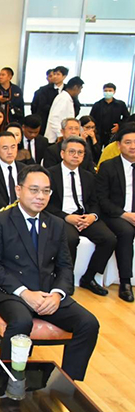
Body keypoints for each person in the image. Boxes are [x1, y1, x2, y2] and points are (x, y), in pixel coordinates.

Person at [0, 164, 100, 381]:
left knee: (88, 323)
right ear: (19, 190)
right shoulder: (0, 221)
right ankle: (9, 382)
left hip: (47, 292)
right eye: (34, 190)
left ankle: (66, 384)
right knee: (21, 322)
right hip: (11, 292)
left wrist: (57, 294)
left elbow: (65, 266)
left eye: (46, 191)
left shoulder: (56, 224)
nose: (40, 196)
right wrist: (25, 293)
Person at [45, 136, 114, 296]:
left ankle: (89, 278)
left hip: (84, 216)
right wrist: (66, 217)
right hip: (62, 217)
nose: (76, 155)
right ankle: (65, 280)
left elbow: (95, 201)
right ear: (62, 153)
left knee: (109, 239)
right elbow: (46, 204)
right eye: (72, 152)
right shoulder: (50, 174)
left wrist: (92, 217)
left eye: (80, 153)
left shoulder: (89, 176)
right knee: (70, 239)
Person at [96, 124, 135, 302]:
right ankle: (125, 282)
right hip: (115, 215)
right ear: (119, 145)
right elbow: (102, 200)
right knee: (126, 232)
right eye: (128, 142)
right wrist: (126, 215)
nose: (133, 146)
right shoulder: (108, 166)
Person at [45, 77, 84, 143]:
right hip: (56, 139)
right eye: (80, 89)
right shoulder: (63, 99)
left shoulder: (67, 98)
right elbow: (54, 119)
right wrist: (60, 134)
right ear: (76, 87)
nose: (80, 92)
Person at [31, 66, 68, 136]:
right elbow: (40, 106)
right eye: (54, 74)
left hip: (63, 122)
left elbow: (75, 106)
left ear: (64, 76)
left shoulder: (68, 89)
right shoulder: (44, 90)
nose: (55, 76)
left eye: (58, 74)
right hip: (46, 121)